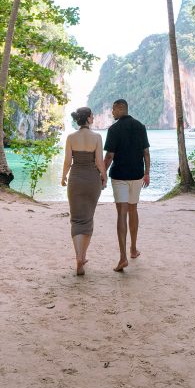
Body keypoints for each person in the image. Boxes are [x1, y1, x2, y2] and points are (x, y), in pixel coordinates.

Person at [104, 98, 150, 273]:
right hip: (137, 175)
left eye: (113, 110)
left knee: (121, 214)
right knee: (133, 209)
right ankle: (133, 249)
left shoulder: (114, 129)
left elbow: (109, 156)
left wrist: (102, 174)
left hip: (119, 176)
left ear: (118, 108)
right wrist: (147, 173)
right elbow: (146, 152)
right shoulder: (140, 126)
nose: (112, 113)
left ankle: (123, 256)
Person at [61, 107, 107, 276]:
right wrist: (104, 176)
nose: (94, 117)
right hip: (92, 180)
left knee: (76, 219)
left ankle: (78, 257)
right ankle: (83, 256)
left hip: (76, 179)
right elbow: (99, 162)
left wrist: (63, 177)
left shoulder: (71, 138)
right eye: (92, 116)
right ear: (88, 119)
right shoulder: (96, 137)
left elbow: (67, 161)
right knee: (88, 218)